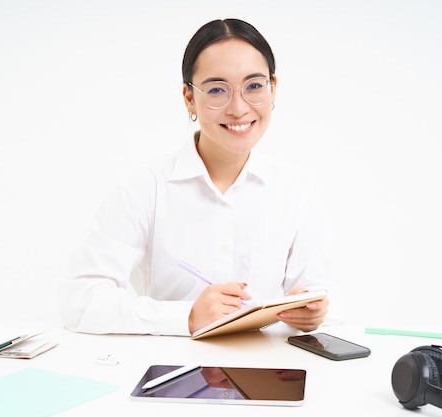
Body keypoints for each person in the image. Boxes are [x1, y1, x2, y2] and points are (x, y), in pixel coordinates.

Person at [59, 18, 331, 336]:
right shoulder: (144, 189)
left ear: (273, 88)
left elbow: (320, 297)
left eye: (254, 86)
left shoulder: (296, 190)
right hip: (171, 373)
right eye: (217, 90)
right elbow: (79, 302)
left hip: (271, 373)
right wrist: (187, 316)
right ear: (189, 98)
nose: (239, 107)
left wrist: (313, 312)